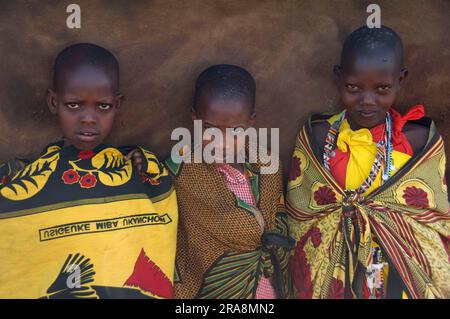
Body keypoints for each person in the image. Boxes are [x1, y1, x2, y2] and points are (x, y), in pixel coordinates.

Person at [0, 43, 178, 299]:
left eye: (102, 106)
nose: (88, 118)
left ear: (118, 104)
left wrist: (146, 167)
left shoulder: (140, 172)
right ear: (53, 102)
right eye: (74, 105)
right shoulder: (24, 179)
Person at [286, 26, 450, 299]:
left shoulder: (417, 141)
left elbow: (434, 224)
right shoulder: (317, 136)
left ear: (401, 80)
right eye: (353, 87)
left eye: (382, 88)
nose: (367, 100)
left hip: (397, 280)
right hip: (331, 279)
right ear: (338, 77)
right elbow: (301, 218)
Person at [164, 64, 293, 299]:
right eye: (209, 129)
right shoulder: (183, 171)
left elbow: (279, 222)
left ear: (251, 122)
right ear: (194, 118)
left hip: (268, 290)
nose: (220, 143)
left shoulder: (268, 167)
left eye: (234, 131)